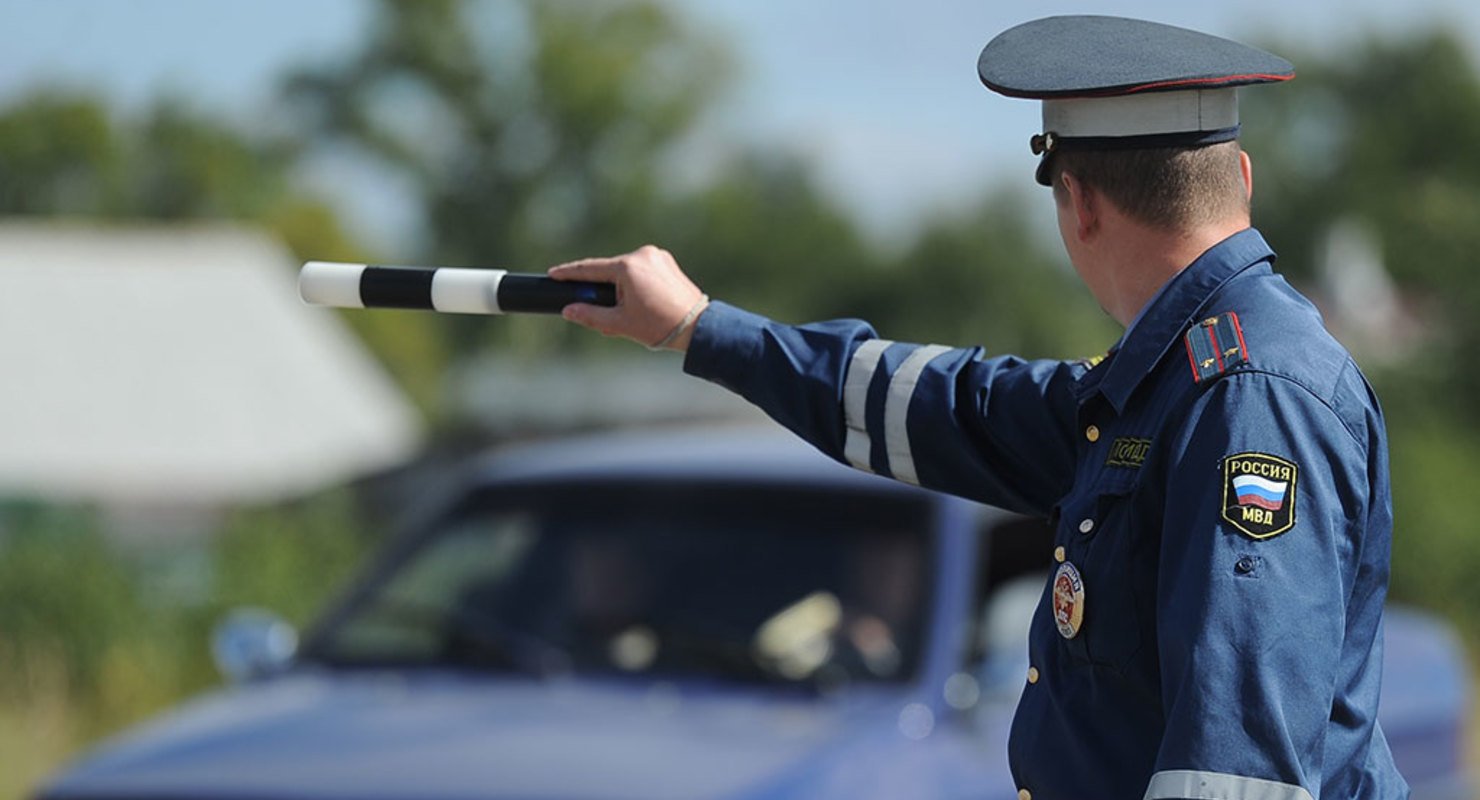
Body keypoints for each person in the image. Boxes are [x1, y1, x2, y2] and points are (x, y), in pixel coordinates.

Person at [548, 15, 1405, 800]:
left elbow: (1235, 776)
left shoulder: (1244, 396)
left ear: (1079, 204)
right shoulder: (1179, 378)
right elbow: (949, 407)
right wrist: (700, 328)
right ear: (1241, 177)